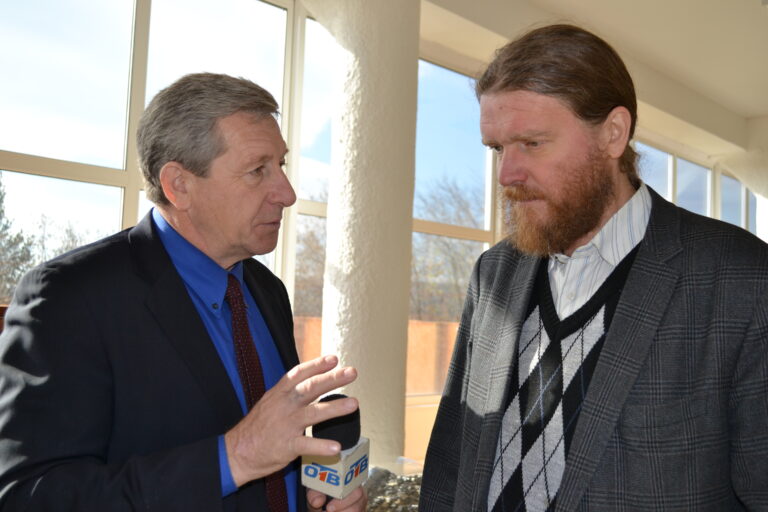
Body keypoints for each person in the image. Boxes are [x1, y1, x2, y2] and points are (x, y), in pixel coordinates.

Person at [420, 24, 768, 511]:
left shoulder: (742, 279)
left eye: (532, 143)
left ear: (613, 134)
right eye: (497, 148)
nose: (506, 174)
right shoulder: (493, 273)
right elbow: (451, 461)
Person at [0, 72, 366, 512]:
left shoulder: (267, 290)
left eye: (281, 165)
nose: (286, 194)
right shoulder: (70, 296)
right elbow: (31, 495)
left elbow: (271, 460)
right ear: (179, 185)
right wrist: (235, 456)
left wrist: (314, 498)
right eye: (257, 171)